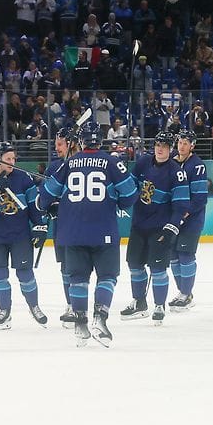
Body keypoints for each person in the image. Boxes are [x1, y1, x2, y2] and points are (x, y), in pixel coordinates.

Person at [36, 122, 138, 347]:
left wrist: (53, 202)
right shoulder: (112, 162)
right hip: (103, 230)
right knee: (107, 276)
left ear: (81, 141)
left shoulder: (68, 164)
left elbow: (45, 197)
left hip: (71, 232)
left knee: (78, 279)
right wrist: (117, 201)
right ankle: (100, 319)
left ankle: (80, 325)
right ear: (100, 141)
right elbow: (131, 194)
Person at [0, 142, 48, 329]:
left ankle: (34, 306)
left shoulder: (24, 179)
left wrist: (40, 225)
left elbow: (33, 205)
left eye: (13, 158)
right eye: (8, 159)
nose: (12, 162)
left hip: (20, 235)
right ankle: (4, 312)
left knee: (25, 274)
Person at [120, 130, 190, 325]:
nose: (160, 149)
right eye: (158, 145)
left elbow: (181, 205)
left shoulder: (177, 172)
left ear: (170, 148)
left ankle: (159, 305)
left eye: (165, 146)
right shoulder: (143, 162)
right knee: (135, 265)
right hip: (139, 225)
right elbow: (129, 187)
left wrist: (171, 228)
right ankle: (139, 302)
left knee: (158, 268)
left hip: (160, 227)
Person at [168, 127, 209, 311]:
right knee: (172, 255)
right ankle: (182, 292)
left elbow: (200, 198)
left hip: (192, 220)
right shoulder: (172, 162)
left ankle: (186, 293)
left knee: (185, 254)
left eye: (186, 143)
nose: (182, 146)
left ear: (192, 146)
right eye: (180, 142)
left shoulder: (197, 165)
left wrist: (183, 213)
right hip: (173, 218)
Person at [46, 126, 80, 328]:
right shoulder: (54, 168)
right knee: (66, 268)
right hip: (62, 227)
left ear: (71, 144)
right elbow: (46, 194)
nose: (56, 148)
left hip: (82, 225)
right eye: (55, 144)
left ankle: (81, 305)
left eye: (60, 144)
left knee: (80, 268)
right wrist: (50, 205)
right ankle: (71, 305)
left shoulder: (83, 164)